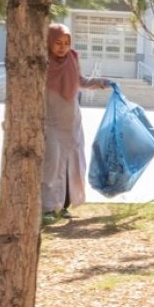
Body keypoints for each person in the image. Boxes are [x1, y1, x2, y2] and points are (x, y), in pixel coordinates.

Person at [42, 24, 109, 220]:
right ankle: (47, 208)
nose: (62, 47)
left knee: (71, 165)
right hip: (51, 122)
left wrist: (100, 83)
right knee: (51, 165)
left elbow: (80, 81)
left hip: (72, 123)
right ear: (48, 42)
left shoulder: (72, 58)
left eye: (66, 43)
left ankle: (63, 206)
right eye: (58, 43)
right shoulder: (42, 62)